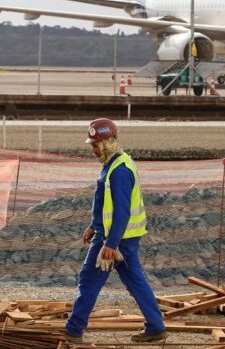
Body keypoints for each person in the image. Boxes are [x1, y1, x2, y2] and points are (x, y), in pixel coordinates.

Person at [65, 118, 167, 343]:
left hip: (115, 238)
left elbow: (122, 211)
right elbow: (105, 203)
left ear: (106, 143)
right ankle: (156, 327)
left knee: (89, 280)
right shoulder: (114, 164)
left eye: (94, 145)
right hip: (123, 237)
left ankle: (73, 330)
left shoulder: (119, 170)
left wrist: (110, 244)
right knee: (135, 280)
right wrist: (94, 225)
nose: (92, 149)